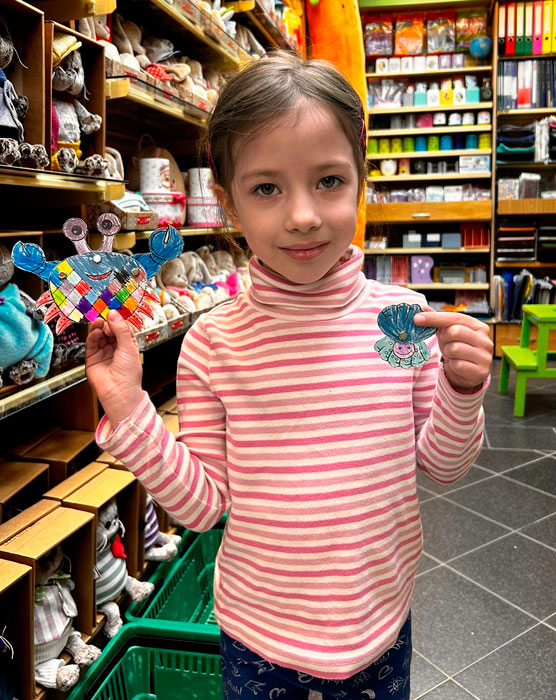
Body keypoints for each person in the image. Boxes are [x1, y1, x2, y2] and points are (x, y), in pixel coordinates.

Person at [85, 51, 493, 700]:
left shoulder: (404, 322)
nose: (302, 214)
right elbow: (202, 506)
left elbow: (440, 467)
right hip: (258, 637)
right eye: (267, 188)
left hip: (380, 625)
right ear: (228, 203)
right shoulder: (213, 345)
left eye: (328, 180)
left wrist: (461, 392)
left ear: (361, 180)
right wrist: (131, 411)